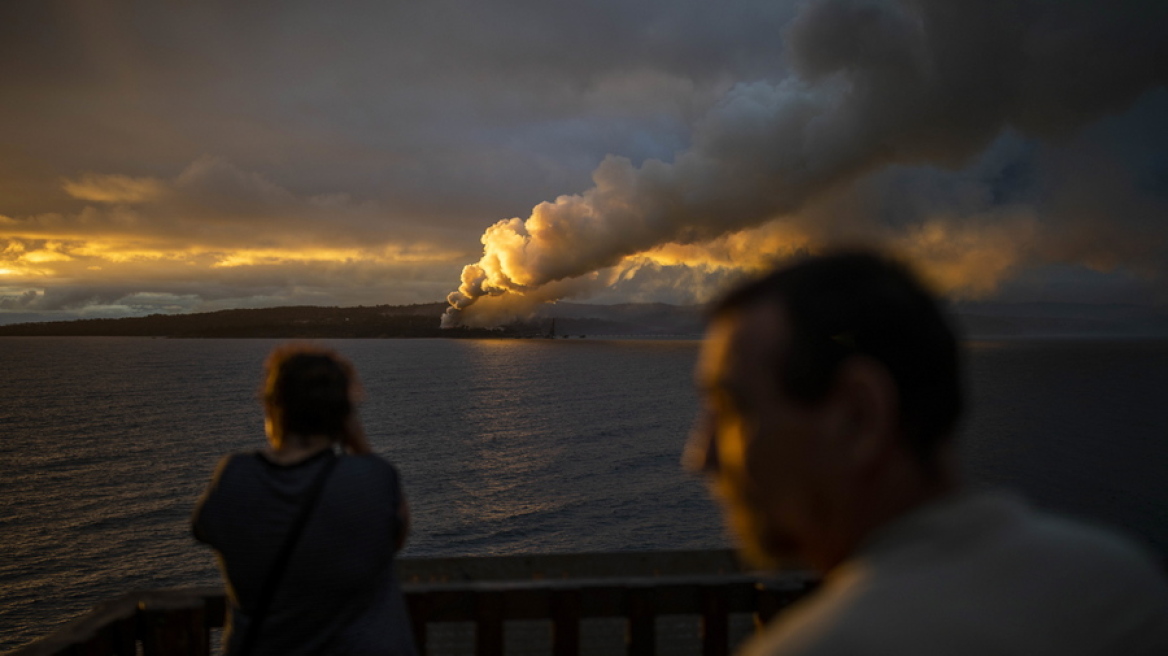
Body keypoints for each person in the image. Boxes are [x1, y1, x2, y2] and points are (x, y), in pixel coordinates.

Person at [684, 251, 1168, 655]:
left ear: (859, 418)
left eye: (730, 409)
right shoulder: (1122, 584)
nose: (699, 456)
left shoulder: (819, 648)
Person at [193, 345, 416, 655]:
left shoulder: (235, 475)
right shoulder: (371, 477)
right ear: (343, 413)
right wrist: (358, 439)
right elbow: (397, 533)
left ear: (272, 406)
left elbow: (207, 531)